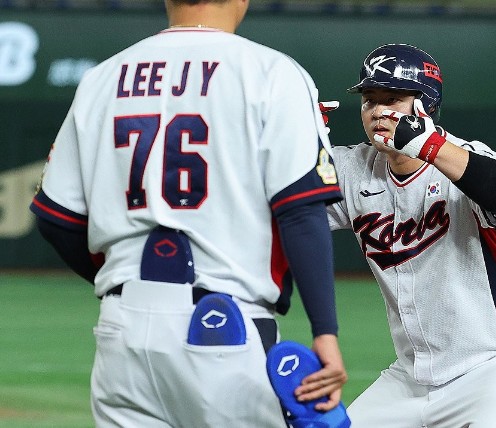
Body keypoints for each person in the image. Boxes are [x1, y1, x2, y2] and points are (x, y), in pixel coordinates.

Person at [28, 0, 348, 426]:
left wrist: (125, 282)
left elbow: (56, 217)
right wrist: (324, 331)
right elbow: (300, 211)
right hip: (221, 329)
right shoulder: (270, 71)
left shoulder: (102, 77)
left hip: (121, 332)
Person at [323, 44, 496, 427]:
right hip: (410, 378)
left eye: (394, 99)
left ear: (426, 104)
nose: (380, 111)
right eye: (370, 100)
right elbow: (275, 208)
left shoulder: (467, 159)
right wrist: (290, 148)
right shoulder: (354, 168)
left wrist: (431, 147)